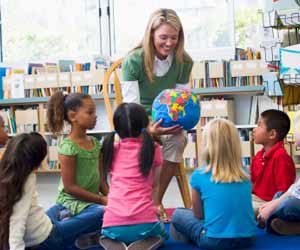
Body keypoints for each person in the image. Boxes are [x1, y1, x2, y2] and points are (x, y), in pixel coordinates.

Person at [121, 8, 193, 221]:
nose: (169, 43)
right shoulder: (134, 61)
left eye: (174, 37)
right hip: (138, 120)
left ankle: (154, 201)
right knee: (140, 143)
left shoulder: (183, 62)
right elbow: (130, 108)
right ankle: (138, 202)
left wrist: (180, 122)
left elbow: (183, 101)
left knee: (178, 140)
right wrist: (148, 129)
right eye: (163, 37)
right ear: (151, 34)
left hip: (168, 120)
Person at [0, 132, 107, 250]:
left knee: (59, 206)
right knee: (101, 213)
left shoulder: (5, 172)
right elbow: (17, 221)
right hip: (47, 237)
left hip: (42, 223)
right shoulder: (26, 178)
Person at [171, 118, 256, 249]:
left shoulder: (199, 175)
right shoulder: (245, 173)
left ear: (207, 145)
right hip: (248, 239)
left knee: (178, 214)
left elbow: (198, 215)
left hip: (214, 241)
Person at [98, 102, 167, 250]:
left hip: (112, 224)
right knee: (162, 232)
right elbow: (155, 186)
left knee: (109, 231)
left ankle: (110, 241)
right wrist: (156, 209)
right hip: (145, 223)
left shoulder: (111, 149)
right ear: (145, 125)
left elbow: (105, 181)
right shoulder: (154, 149)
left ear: (117, 128)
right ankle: (147, 241)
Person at [46, 92, 108, 240]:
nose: (95, 116)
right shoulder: (68, 147)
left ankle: (67, 229)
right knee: (101, 212)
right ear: (73, 116)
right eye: (90, 112)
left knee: (107, 211)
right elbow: (70, 188)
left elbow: (101, 181)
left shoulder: (96, 144)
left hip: (91, 202)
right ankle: (60, 230)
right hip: (70, 201)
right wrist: (101, 200)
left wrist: (111, 196)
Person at [251, 109, 296, 214]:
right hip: (255, 199)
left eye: (259, 125)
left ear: (272, 134)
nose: (254, 129)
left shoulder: (281, 158)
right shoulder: (258, 156)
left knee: (242, 209)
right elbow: (252, 185)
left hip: (270, 202)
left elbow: (284, 193)